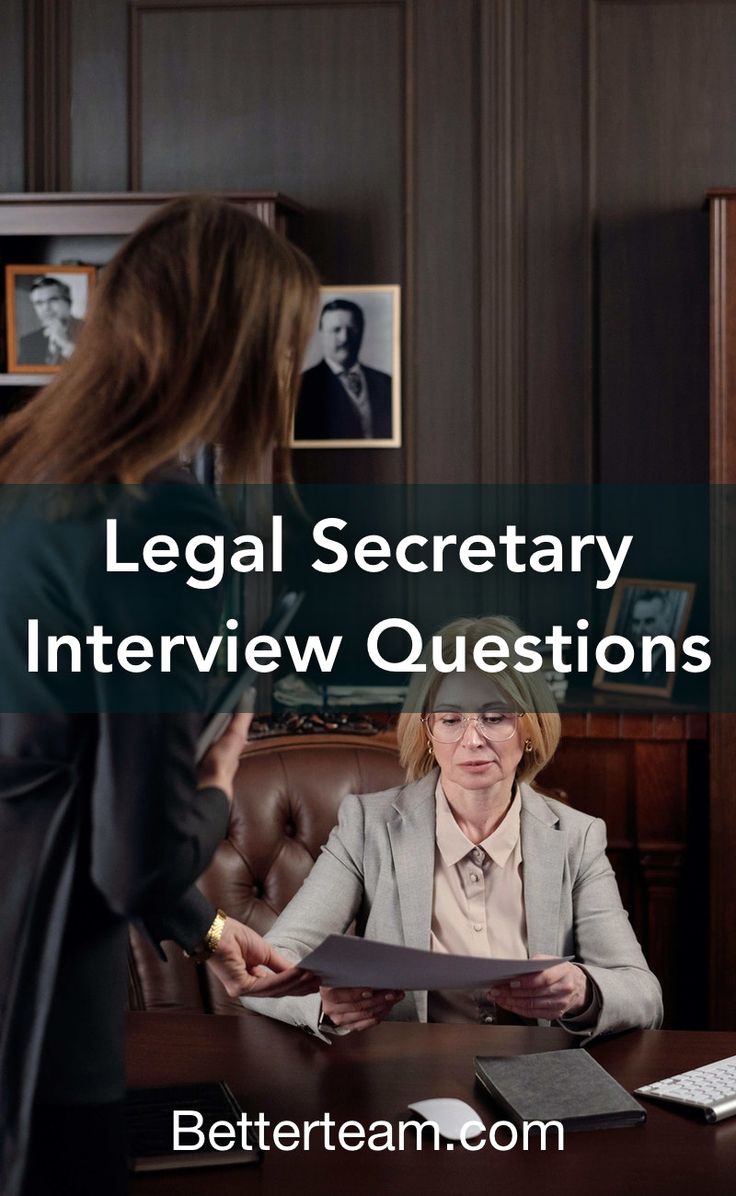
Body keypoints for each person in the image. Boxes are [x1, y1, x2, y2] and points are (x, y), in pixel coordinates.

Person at [0, 196, 321, 1196]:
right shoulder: (164, 519)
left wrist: (211, 930)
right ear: (240, 348)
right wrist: (220, 780)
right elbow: (130, 847)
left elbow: (67, 783)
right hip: (51, 1009)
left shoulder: (31, 480)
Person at [242, 615, 663, 1040]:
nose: (473, 739)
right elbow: (264, 969)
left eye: (495, 717)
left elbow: (643, 993)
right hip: (405, 1079)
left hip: (538, 1077)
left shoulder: (577, 836)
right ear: (427, 732)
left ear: (529, 730)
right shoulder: (366, 826)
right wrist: (321, 1004)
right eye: (450, 719)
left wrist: (581, 991)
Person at [294, 298, 393, 440]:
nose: (344, 338)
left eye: (351, 329)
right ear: (322, 334)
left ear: (362, 332)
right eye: (336, 330)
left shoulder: (387, 382)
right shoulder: (301, 386)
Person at [17, 276, 85, 367]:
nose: (46, 308)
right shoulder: (28, 342)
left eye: (53, 300)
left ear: (68, 302)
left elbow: (98, 369)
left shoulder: (92, 330)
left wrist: (65, 343)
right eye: (39, 303)